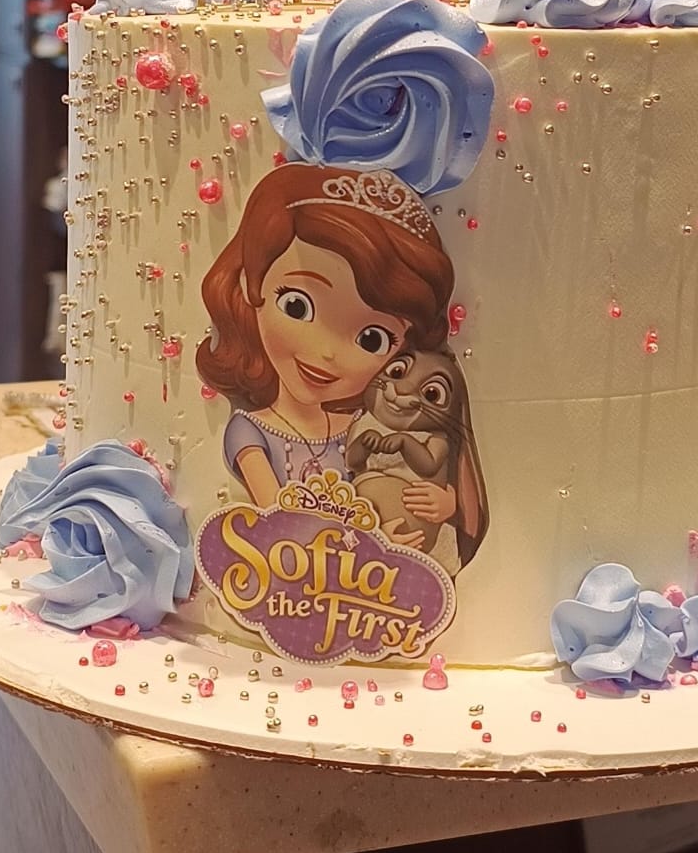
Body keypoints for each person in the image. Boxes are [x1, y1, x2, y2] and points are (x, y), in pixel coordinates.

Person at [195, 164, 485, 561]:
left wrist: (445, 504)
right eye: (296, 305)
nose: (328, 352)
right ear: (251, 284)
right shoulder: (250, 433)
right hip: (297, 579)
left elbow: (400, 482)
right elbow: (281, 523)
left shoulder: (363, 425)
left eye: (372, 338)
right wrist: (373, 545)